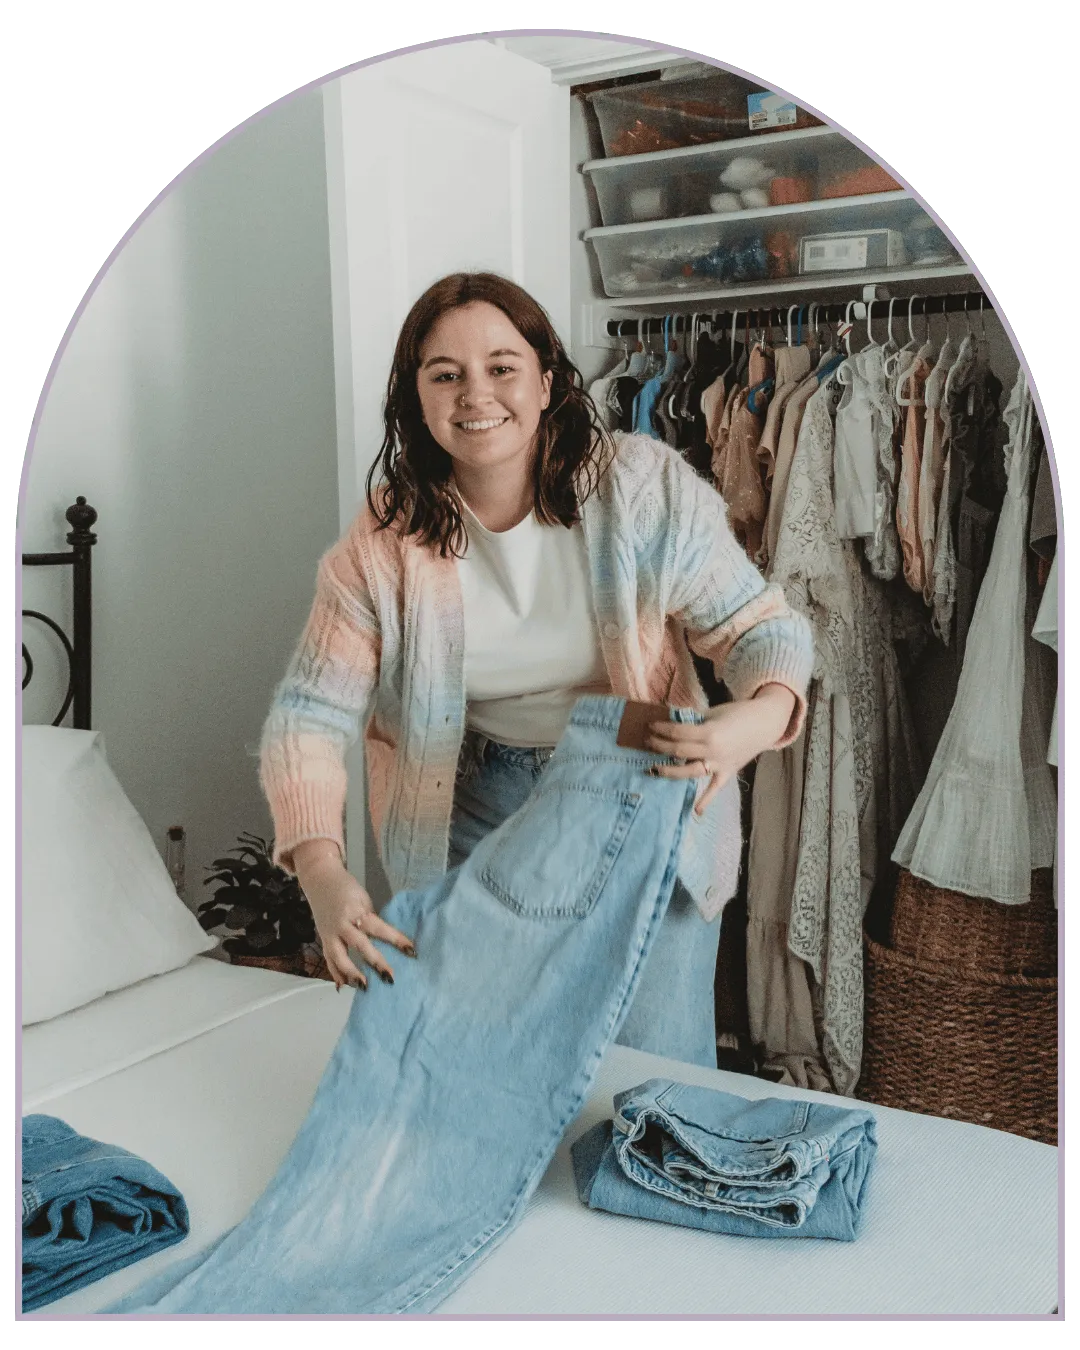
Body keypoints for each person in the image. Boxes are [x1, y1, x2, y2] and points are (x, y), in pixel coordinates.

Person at [259, 272, 813, 1069]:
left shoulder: (645, 488)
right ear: (416, 398)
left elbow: (762, 630)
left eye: (502, 366)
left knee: (651, 1081)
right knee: (482, 1073)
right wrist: (320, 870)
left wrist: (753, 721)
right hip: (474, 806)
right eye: (444, 374)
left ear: (547, 380)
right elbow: (309, 717)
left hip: (646, 789)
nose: (474, 393)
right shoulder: (383, 543)